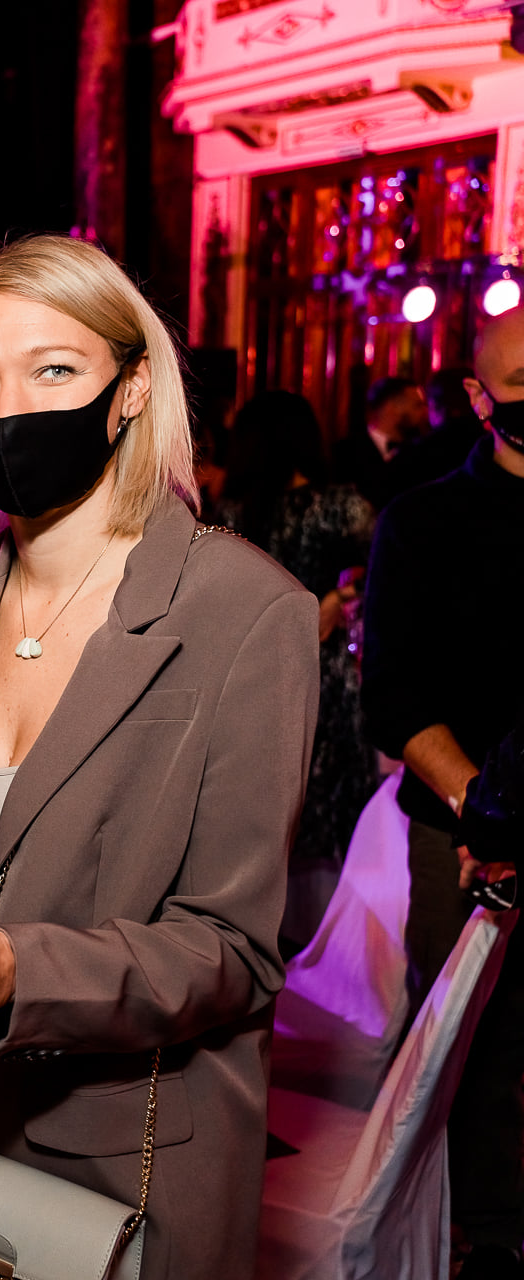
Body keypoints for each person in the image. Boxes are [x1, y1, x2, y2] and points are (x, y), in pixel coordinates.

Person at [0, 235, 317, 1280]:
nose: (8, 407)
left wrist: (22, 971)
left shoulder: (246, 610)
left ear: (131, 388)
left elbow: (233, 951)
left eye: (53, 369)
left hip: (110, 1162)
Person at [362, 307, 524, 1280]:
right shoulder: (422, 522)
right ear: (478, 396)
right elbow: (393, 696)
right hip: (459, 834)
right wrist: (485, 809)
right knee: (468, 1050)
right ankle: (484, 1238)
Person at [217, 389, 376, 949]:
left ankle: (261, 935)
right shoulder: (341, 506)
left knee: (267, 796)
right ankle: (330, 944)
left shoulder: (231, 514)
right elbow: (378, 569)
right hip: (320, 671)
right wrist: (337, 598)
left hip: (253, 672)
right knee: (325, 802)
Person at [386, 364, 485, 496]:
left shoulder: (416, 453)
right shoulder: (491, 444)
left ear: (434, 404)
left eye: (425, 404)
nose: (424, 413)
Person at [332, 374, 425, 510]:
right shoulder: (345, 451)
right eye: (417, 406)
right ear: (391, 407)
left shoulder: (421, 451)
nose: (424, 412)